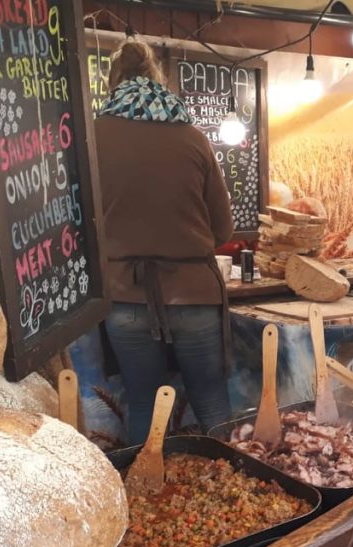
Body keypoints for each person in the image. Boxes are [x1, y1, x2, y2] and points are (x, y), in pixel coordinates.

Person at [95, 39, 234, 444]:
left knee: (143, 402)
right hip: (195, 295)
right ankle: (234, 493)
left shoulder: (90, 136)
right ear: (158, 78)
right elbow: (223, 231)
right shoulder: (192, 137)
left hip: (124, 296)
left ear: (113, 81)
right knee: (210, 399)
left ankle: (145, 496)